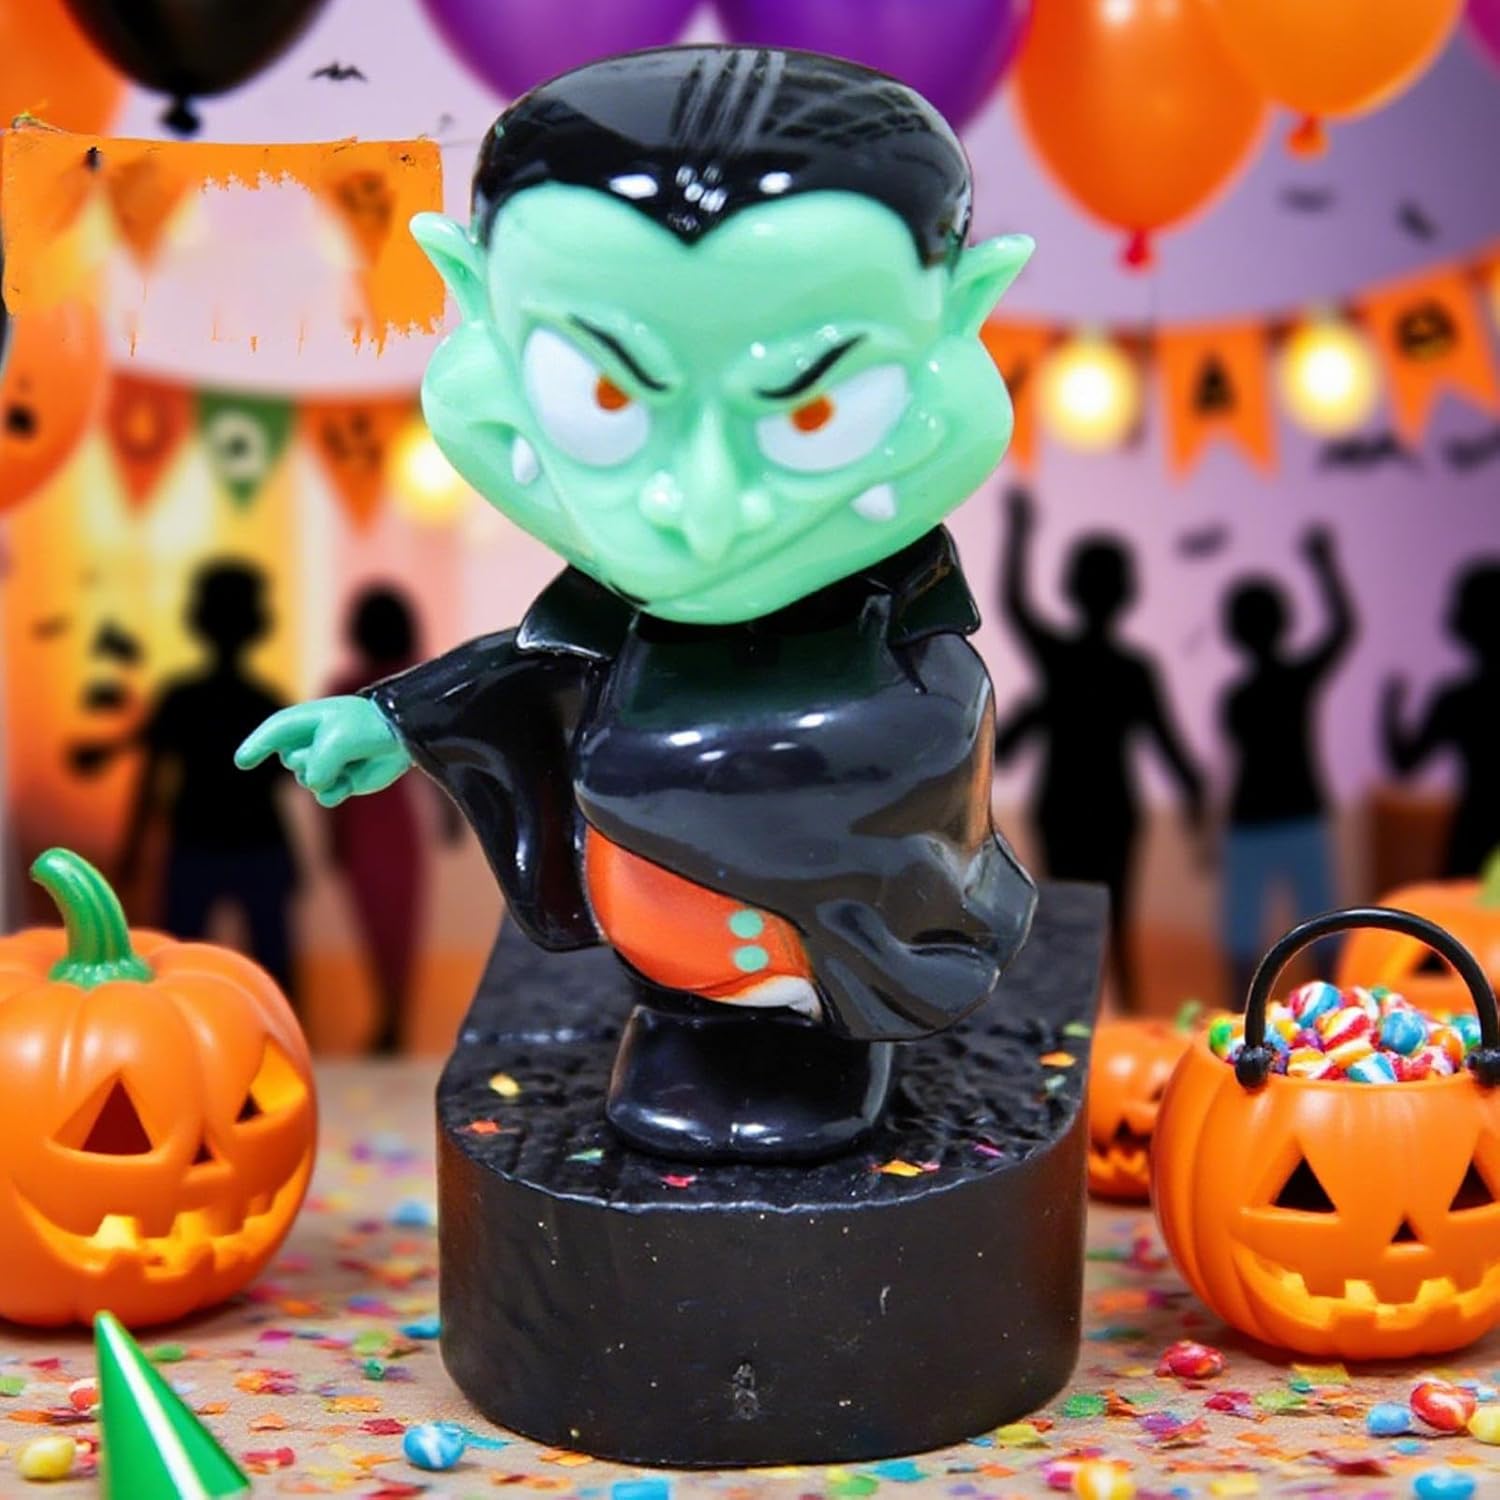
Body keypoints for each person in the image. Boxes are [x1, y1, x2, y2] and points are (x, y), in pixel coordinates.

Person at [238, 47, 1040, 1163]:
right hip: (660, 939)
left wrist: (688, 767)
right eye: (602, 395)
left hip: (810, 947)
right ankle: (688, 1013)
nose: (699, 513)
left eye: (812, 411)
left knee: (810, 978)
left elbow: (929, 747)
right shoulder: (611, 614)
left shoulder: (906, 650)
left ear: (965, 320)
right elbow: (536, 667)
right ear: (472, 302)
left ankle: (816, 1032)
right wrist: (394, 720)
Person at [995, 489, 1205, 1008]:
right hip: (1109, 810)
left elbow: (1014, 603)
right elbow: (1172, 749)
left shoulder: (1062, 660)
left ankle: (1067, 1022)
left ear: (1071, 587)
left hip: (1066, 807)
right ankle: (1123, 1015)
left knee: (1069, 919)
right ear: (1128, 592)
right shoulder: (1131, 670)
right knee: (1113, 919)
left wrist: (1020, 533)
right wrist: (1197, 807)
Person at [119, 561, 296, 996]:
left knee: (180, 966)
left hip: (198, 842)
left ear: (198, 620)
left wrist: (133, 848)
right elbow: (287, 780)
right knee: (273, 968)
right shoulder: (265, 701)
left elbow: (150, 783)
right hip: (255, 842)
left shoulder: (182, 699)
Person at [1219, 527, 1354, 996]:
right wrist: (1324, 565)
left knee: (1245, 932)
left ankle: (1241, 1012)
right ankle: (1328, 1006)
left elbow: (1341, 630)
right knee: (1314, 924)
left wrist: (1323, 564)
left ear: (1233, 631)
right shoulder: (1293, 680)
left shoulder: (1238, 696)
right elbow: (1342, 629)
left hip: (1257, 819)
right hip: (1295, 813)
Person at [325, 585, 442, 1054]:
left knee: (379, 927)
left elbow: (328, 778)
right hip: (393, 826)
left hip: (366, 824)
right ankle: (393, 1016)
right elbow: (437, 756)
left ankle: (392, 1017)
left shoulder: (348, 690)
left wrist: (333, 835)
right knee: (397, 928)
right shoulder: (406, 683)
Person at [1383, 560, 1500, 876]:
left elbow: (1405, 764)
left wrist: (1390, 707)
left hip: (1475, 832)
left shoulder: (1457, 698)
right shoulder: (1454, 697)